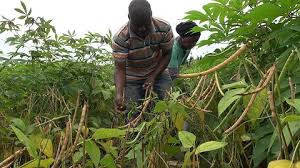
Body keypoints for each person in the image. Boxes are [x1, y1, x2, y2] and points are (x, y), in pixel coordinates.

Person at [112, 0, 174, 121]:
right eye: (137, 25)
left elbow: (167, 54)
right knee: (132, 115)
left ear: (151, 15)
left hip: (158, 71)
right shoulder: (120, 38)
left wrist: (153, 76)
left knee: (170, 107)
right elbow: (120, 69)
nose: (142, 29)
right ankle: (137, 138)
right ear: (129, 17)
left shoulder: (164, 28)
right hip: (132, 78)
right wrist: (119, 94)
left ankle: (175, 137)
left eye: (146, 24)